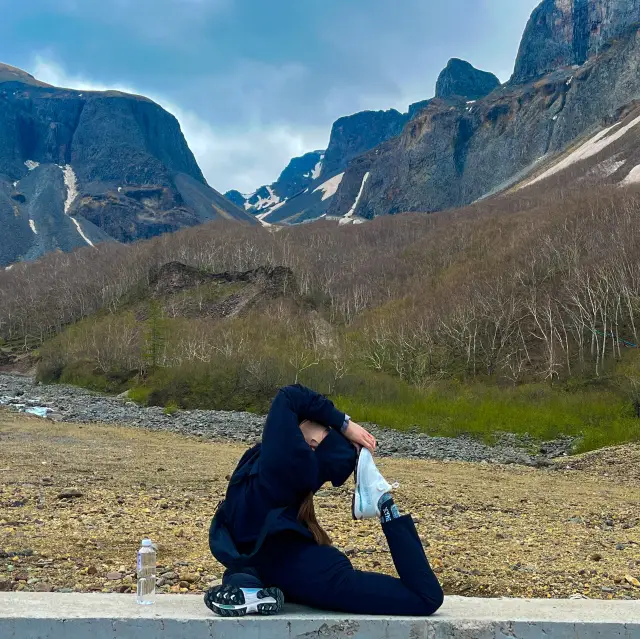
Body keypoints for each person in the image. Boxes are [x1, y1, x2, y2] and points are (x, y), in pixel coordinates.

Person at [205, 384, 444, 617]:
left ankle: (383, 501)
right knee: (241, 576)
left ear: (311, 446)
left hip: (299, 567)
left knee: (426, 597)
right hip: (280, 565)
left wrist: (345, 424)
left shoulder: (287, 459)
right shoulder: (287, 465)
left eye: (322, 429)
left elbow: (289, 396)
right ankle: (251, 590)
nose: (310, 420)